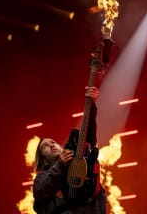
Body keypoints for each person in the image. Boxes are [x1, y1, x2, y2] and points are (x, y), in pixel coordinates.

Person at [33, 86, 106, 214]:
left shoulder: (77, 160)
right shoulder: (42, 176)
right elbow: (40, 192)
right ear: (43, 159)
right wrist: (60, 166)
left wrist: (91, 104)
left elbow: (88, 136)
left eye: (53, 142)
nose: (51, 144)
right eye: (45, 146)